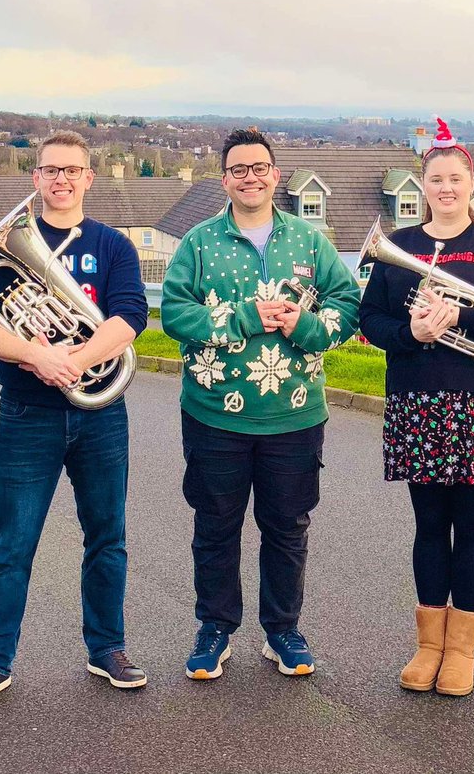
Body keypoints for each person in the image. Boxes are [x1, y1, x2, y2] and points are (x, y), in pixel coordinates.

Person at [0, 130, 148, 714]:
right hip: (26, 414)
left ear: (89, 178)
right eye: (49, 171)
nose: (60, 180)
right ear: (35, 179)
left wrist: (74, 360)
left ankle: (106, 648)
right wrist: (33, 354)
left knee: (106, 537)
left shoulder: (113, 247)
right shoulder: (4, 251)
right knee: (12, 542)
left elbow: (129, 318)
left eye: (72, 170)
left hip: (100, 414)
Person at [161, 127, 361, 680]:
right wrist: (244, 318)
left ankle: (283, 630)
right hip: (213, 415)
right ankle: (215, 629)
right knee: (215, 526)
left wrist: (309, 327)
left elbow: (348, 304)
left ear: (276, 175)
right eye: (238, 170)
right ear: (224, 179)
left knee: (287, 527)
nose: (249, 178)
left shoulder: (310, 241)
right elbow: (175, 315)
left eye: (259, 168)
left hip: (294, 416)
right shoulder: (199, 242)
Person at [358, 119, 474, 697]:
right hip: (417, 402)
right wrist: (411, 331)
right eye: (436, 179)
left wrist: (461, 315)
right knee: (426, 526)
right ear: (423, 185)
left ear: (471, 182)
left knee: (470, 526)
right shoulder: (401, 248)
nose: (446, 188)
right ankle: (427, 645)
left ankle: (461, 651)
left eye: (455, 178)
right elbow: (371, 320)